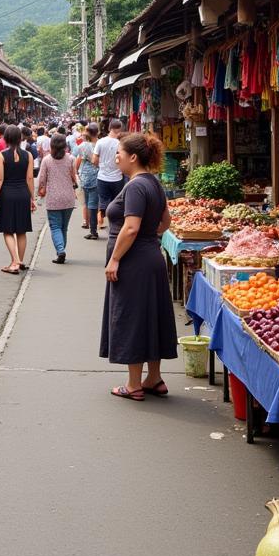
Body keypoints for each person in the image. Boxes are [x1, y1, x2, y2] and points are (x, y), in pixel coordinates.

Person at [100, 133, 177, 400]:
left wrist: (115, 258)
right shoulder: (153, 183)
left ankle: (133, 384)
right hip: (151, 256)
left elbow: (130, 228)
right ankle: (153, 378)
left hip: (134, 261)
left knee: (132, 316)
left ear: (133, 157)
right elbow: (165, 222)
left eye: (119, 152)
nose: (116, 157)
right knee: (151, 316)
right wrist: (148, 236)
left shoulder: (134, 187)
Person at [0, 124, 36, 274]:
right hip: (23, 194)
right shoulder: (28, 155)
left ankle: (15, 262)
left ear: (6, 138)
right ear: (20, 138)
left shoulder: (2, 155)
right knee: (22, 230)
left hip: (7, 195)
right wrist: (33, 197)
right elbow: (30, 178)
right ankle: (20, 261)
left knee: (8, 230)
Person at [38, 133, 78, 264]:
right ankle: (61, 250)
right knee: (63, 227)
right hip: (69, 197)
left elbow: (41, 179)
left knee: (55, 227)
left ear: (52, 145)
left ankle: (60, 251)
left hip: (53, 198)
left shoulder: (47, 160)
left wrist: (39, 191)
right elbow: (74, 177)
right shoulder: (71, 159)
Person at [93, 118, 125, 231]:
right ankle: (114, 226)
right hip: (117, 178)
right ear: (119, 130)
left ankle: (100, 220)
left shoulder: (100, 142)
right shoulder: (120, 144)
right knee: (116, 202)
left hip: (102, 177)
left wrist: (101, 166)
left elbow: (94, 160)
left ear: (109, 128)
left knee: (103, 201)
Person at [76, 122, 102, 238]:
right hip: (99, 174)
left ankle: (92, 230)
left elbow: (79, 159)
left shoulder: (82, 146)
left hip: (86, 175)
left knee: (88, 203)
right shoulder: (101, 144)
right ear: (98, 132)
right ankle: (93, 229)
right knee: (94, 203)